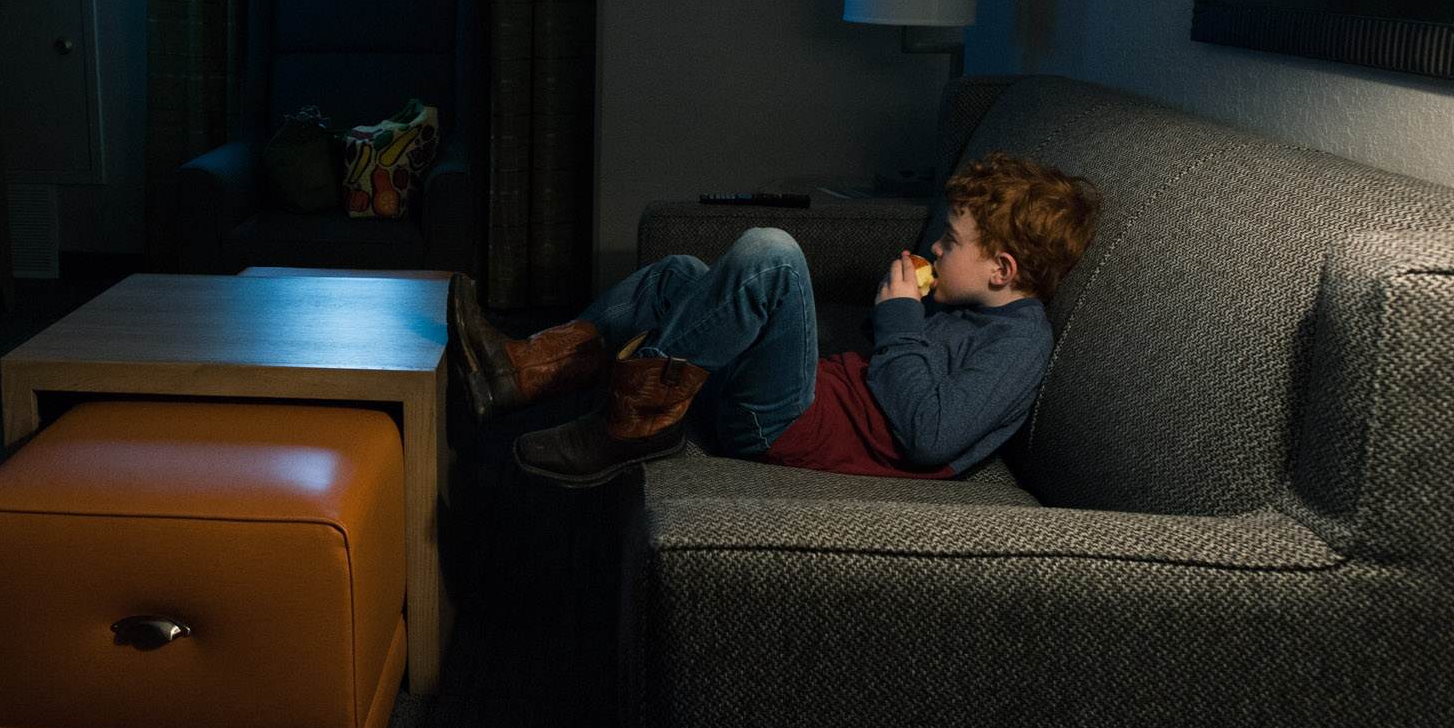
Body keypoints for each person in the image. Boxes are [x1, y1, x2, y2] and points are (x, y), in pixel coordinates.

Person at [447, 152, 1101, 487]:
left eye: (951, 242)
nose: (935, 247)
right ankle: (517, 370)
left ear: (1003, 269)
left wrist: (902, 317)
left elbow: (927, 432)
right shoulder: (962, 300)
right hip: (805, 397)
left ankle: (636, 422)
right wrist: (899, 311)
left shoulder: (1019, 345)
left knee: (774, 256)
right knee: (678, 272)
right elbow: (885, 368)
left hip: (791, 427)